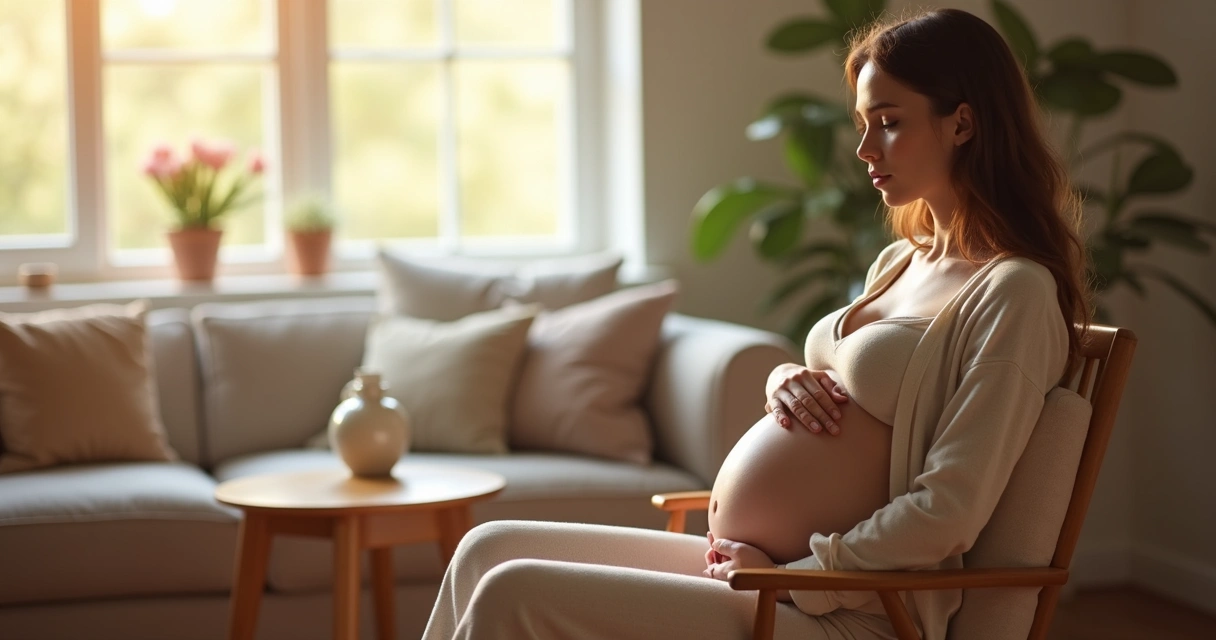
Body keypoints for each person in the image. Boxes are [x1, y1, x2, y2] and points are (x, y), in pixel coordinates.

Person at [422, 8, 1091, 640]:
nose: (863, 147)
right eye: (863, 121)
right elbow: (855, 390)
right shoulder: (900, 261)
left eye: (888, 121)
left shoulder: (1015, 293)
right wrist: (785, 381)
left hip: (845, 609)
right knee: (488, 546)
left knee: (515, 591)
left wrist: (795, 577)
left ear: (963, 125)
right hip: (754, 573)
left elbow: (948, 513)